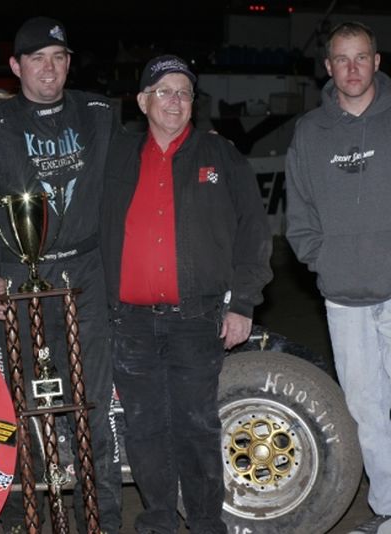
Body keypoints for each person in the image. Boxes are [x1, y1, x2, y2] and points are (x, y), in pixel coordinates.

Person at [0, 16, 122, 534]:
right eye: (36, 59)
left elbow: (127, 194)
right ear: (16, 66)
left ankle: (102, 522)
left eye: (58, 57)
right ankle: (33, 520)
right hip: (21, 278)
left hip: (89, 276)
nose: (48, 69)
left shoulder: (101, 114)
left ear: (69, 62)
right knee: (29, 410)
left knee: (91, 402)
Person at [101, 54, 272, 533]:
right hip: (129, 322)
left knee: (197, 428)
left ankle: (203, 523)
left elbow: (254, 234)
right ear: (142, 101)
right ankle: (157, 520)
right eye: (164, 91)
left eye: (184, 93)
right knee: (145, 429)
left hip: (197, 319)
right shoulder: (115, 157)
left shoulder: (221, 157)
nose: (174, 101)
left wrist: (242, 304)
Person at [285, 21, 391, 534]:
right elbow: (298, 216)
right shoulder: (310, 133)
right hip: (344, 297)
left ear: (377, 61)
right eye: (342, 59)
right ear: (328, 67)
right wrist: (326, 261)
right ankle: (390, 510)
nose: (353, 68)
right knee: (367, 412)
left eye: (362, 57)